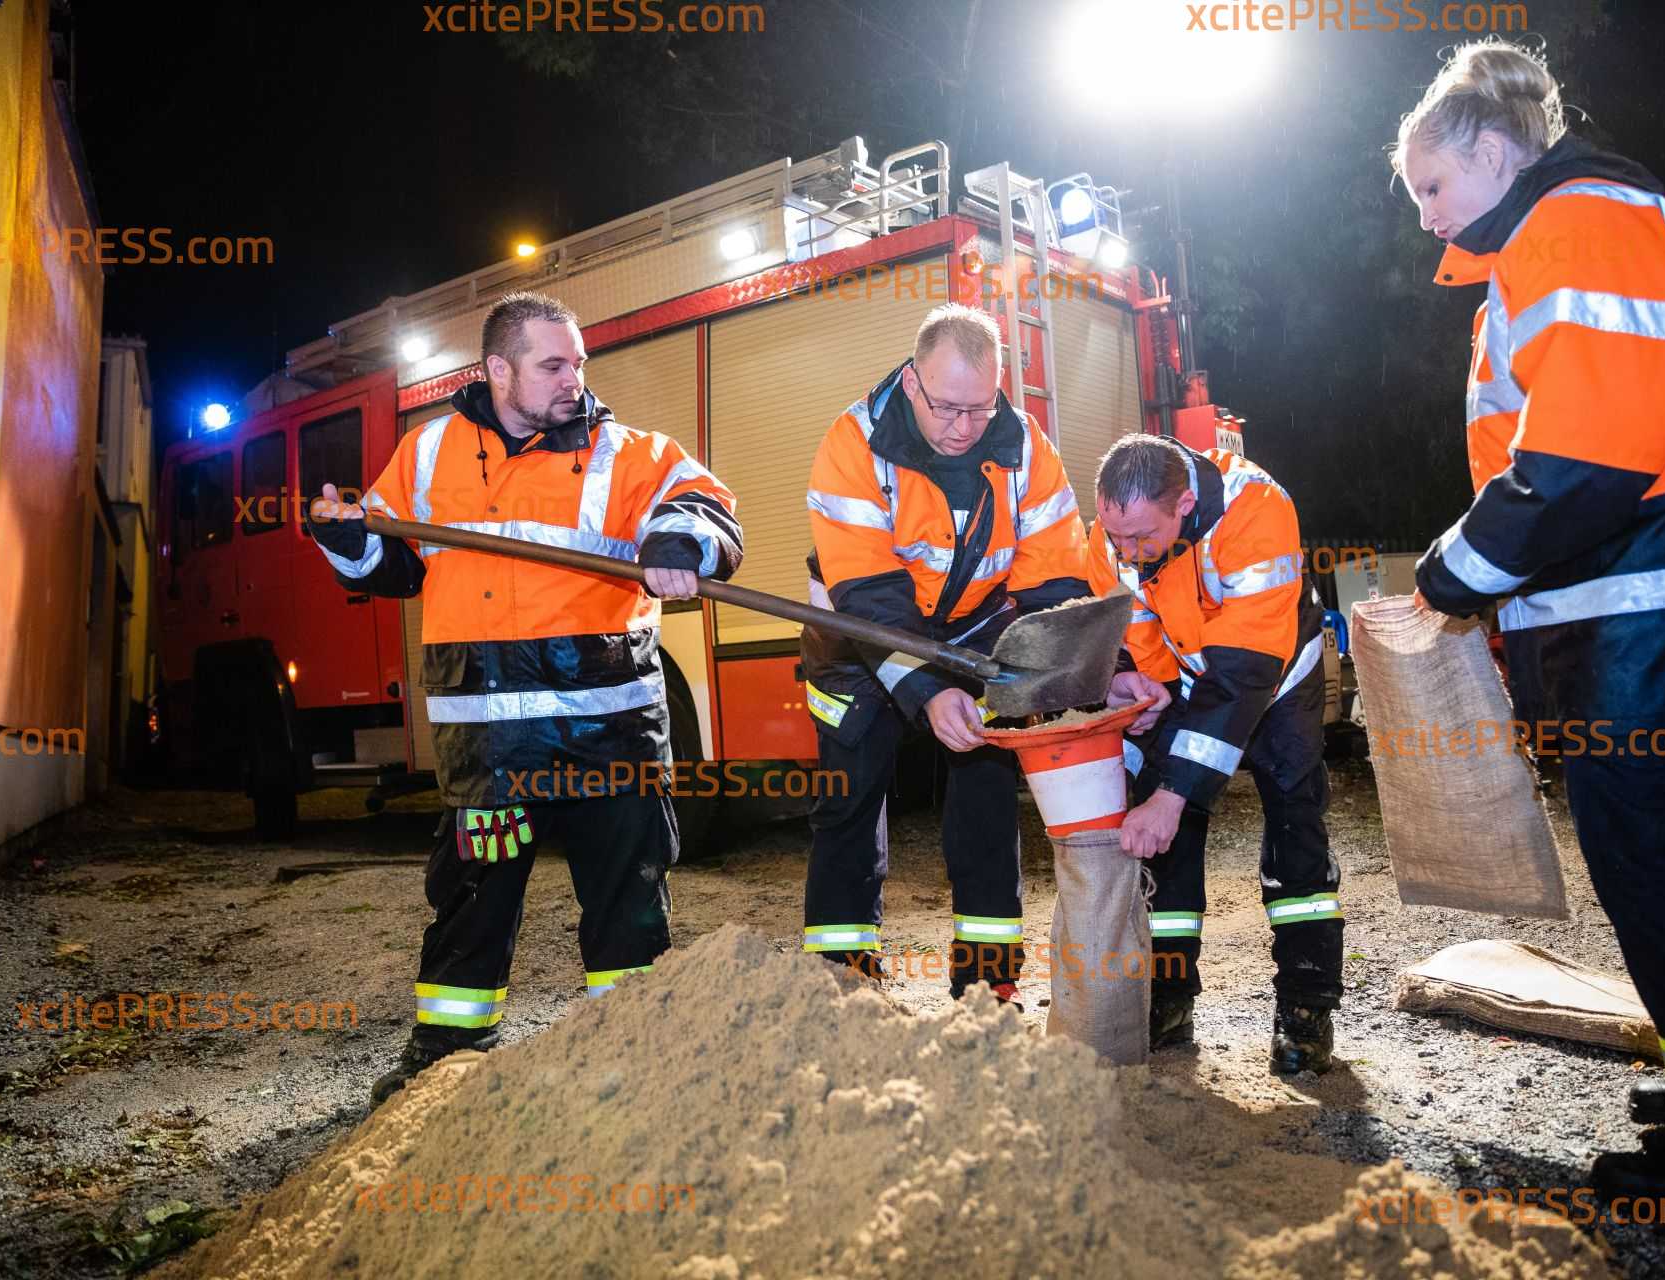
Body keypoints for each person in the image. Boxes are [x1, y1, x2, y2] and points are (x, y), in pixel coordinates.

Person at [1395, 39, 1665, 1214]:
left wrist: (1454, 572)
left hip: (1655, 595)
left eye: (1431, 186)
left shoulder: (1574, 223)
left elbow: (1580, 460)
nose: (1427, 218)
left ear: (1488, 147)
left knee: (1656, 860)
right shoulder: (1590, 222)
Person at [308, 291, 743, 1106]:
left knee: (626, 902)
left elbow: (713, 510)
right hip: (491, 750)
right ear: (497, 371)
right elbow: (395, 567)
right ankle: (446, 1060)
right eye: (553, 364)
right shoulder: (428, 451)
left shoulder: (628, 452)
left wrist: (683, 540)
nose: (574, 378)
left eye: (578, 361)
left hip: (607, 735)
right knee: (472, 901)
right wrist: (348, 541)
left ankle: (637, 1055)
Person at [800, 303, 1090, 1004]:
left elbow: (1054, 577)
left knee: (988, 798)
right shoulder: (853, 443)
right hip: (856, 641)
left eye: (979, 409)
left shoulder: (1024, 444)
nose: (963, 427)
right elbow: (870, 596)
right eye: (946, 408)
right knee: (848, 805)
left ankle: (988, 985)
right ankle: (843, 989)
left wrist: (1055, 671)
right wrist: (927, 691)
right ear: (911, 382)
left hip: (972, 640)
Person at [1090, 433, 1339, 1072]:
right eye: (1117, 537)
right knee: (1164, 841)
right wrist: (1142, 685)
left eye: (1143, 537)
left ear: (1185, 502)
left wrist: (1176, 792)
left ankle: (1306, 1005)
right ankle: (1170, 996)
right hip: (1193, 675)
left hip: (1274, 677)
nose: (1129, 551)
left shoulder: (1256, 510)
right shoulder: (1116, 532)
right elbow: (1131, 627)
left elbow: (1242, 676)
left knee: (1294, 821)